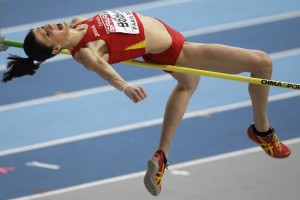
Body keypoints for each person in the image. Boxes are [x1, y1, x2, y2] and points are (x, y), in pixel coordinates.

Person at [2, 10, 291, 196]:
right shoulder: (86, 52)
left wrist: (6, 43)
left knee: (187, 85)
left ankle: (162, 156)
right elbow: (105, 71)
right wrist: (125, 86)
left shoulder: (78, 22)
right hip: (177, 51)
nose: (51, 25)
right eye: (49, 33)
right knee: (262, 63)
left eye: (45, 26)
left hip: (163, 43)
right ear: (55, 48)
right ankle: (262, 131)